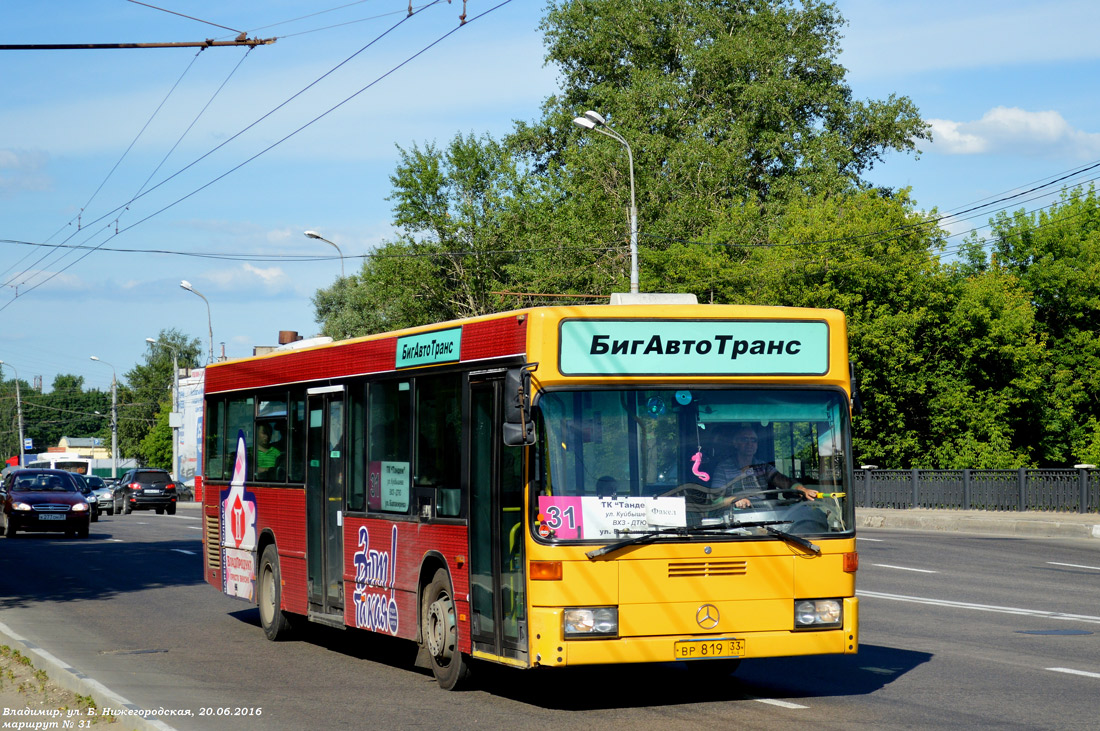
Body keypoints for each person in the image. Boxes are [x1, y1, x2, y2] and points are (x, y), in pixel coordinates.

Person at [687, 424, 817, 514]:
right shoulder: (723, 468)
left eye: (753, 440)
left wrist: (803, 490)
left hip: (764, 517)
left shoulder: (763, 467)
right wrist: (735, 500)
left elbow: (784, 481)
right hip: (734, 519)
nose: (750, 444)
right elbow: (715, 499)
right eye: (745, 440)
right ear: (735, 443)